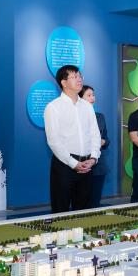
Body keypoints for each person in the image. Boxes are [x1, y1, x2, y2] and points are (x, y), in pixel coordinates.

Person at [44, 66, 101, 213]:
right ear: (63, 82)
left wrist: (94, 158)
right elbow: (54, 141)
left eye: (80, 76)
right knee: (60, 211)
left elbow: (95, 134)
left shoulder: (87, 106)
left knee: (84, 213)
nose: (79, 79)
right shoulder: (53, 107)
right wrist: (73, 163)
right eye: (74, 77)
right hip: (64, 166)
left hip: (87, 165)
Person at [81, 85, 109, 209]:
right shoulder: (76, 117)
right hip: (81, 165)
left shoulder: (100, 116)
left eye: (93, 95)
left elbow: (107, 139)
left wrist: (103, 141)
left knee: (95, 203)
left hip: (98, 166)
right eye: (89, 95)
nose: (93, 98)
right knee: (82, 203)